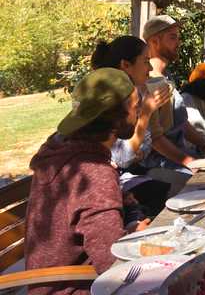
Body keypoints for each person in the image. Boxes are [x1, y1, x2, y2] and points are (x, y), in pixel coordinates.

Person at [25, 68, 144, 295]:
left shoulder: (67, 154)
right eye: (135, 105)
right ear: (116, 115)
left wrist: (131, 226)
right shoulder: (93, 173)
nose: (139, 112)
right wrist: (143, 245)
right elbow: (113, 264)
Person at [91, 36, 173, 218]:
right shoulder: (108, 99)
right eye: (145, 61)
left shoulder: (138, 92)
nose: (150, 68)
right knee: (177, 190)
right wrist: (145, 113)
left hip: (131, 176)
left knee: (185, 186)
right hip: (116, 184)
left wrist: (160, 107)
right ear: (126, 65)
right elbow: (123, 157)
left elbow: (147, 144)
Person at [143, 15, 205, 195]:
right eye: (172, 37)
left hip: (179, 160)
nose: (179, 42)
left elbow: (180, 123)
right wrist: (189, 161)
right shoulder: (146, 81)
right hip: (159, 166)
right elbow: (154, 139)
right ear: (154, 41)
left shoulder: (166, 77)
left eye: (178, 37)